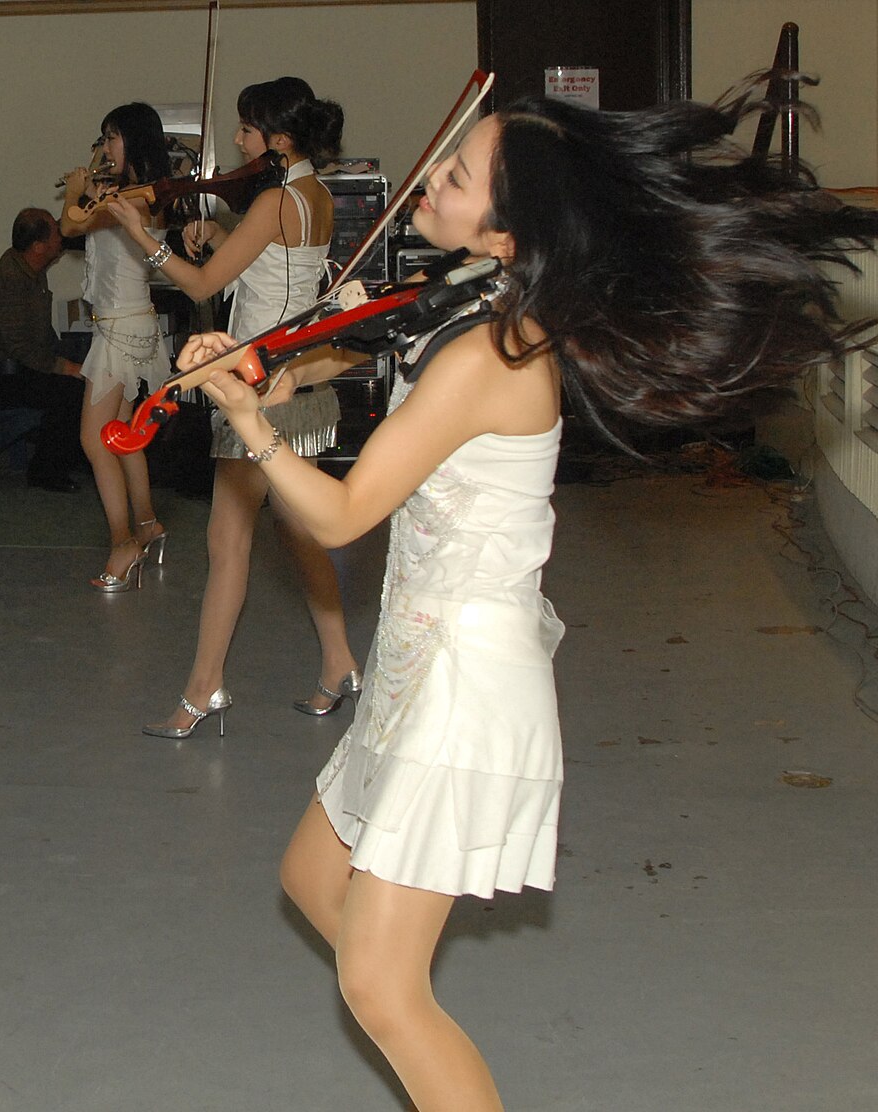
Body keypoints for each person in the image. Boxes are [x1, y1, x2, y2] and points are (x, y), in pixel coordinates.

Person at [175, 90, 878, 1112]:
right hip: (417, 666)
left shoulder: (490, 357)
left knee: (380, 986)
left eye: (456, 177)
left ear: (506, 233)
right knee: (313, 882)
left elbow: (340, 516)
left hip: (464, 685)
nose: (431, 180)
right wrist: (272, 367)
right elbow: (370, 356)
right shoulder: (471, 304)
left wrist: (249, 420)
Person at [101, 78, 359, 733]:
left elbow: (201, 286)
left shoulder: (273, 200)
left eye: (247, 129)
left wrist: (143, 236)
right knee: (298, 534)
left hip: (259, 386)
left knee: (228, 543)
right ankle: (338, 664)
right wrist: (218, 231)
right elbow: (277, 271)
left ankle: (203, 690)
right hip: (300, 382)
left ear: (279, 139)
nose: (239, 141)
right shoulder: (313, 195)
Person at [59, 103, 172, 590]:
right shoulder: (132, 194)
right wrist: (92, 186)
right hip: (128, 323)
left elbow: (69, 227)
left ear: (135, 140)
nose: (105, 148)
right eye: (103, 139)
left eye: (112, 138)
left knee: (95, 439)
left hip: (121, 330)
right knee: (122, 435)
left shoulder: (133, 201)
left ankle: (124, 541)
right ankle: (147, 525)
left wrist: (76, 190)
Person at [0, 208, 88, 492]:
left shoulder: (31, 270)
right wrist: (67, 367)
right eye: (55, 232)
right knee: (69, 391)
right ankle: (45, 472)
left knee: (82, 372)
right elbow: (20, 348)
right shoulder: (12, 279)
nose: (61, 235)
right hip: (2, 374)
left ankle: (76, 456)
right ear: (38, 246)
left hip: (24, 364)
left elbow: (39, 336)